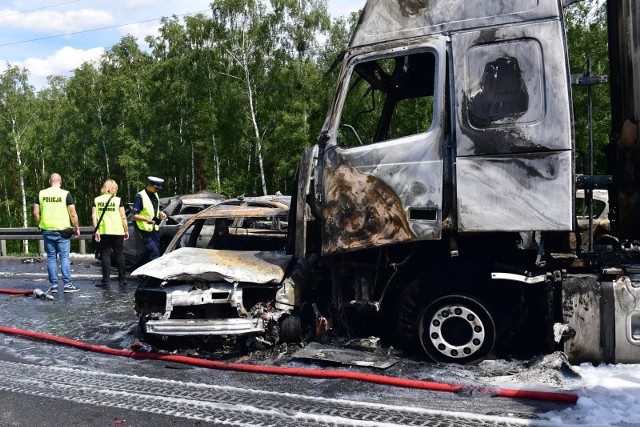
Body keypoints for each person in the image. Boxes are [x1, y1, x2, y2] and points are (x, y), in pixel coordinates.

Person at [33, 173, 80, 293]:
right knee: (64, 257)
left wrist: (39, 224)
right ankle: (67, 285)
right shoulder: (65, 194)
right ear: (60, 181)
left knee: (51, 258)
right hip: (63, 230)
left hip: (47, 229)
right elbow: (73, 213)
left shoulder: (41, 193)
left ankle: (54, 285)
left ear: (50, 181)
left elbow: (36, 212)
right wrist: (77, 227)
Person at [92, 179, 130, 287]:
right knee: (119, 254)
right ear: (114, 188)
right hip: (118, 230)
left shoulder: (97, 200)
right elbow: (123, 217)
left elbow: (94, 216)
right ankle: (122, 280)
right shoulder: (118, 200)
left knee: (105, 254)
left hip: (104, 231)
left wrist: (96, 230)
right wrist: (126, 230)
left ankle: (105, 281)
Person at [130, 176, 167, 270]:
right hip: (144, 228)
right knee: (154, 252)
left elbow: (155, 210)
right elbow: (134, 215)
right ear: (149, 185)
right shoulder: (140, 196)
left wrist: (161, 214)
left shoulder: (155, 195)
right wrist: (147, 220)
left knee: (149, 252)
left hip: (154, 228)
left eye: (158, 188)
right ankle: (154, 277)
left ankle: (134, 268)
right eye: (156, 187)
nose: (157, 190)